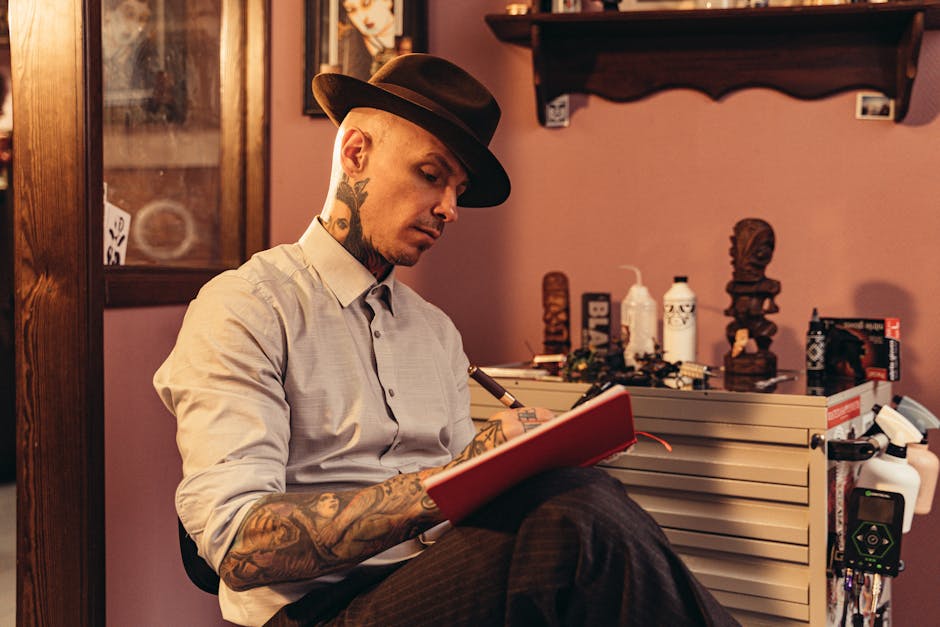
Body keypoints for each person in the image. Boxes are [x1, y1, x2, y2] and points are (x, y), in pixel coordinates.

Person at [155, 54, 740, 627]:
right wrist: (455, 477)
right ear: (355, 152)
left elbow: (462, 512)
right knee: (577, 517)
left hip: (431, 583)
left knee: (579, 502)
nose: (449, 209)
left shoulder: (434, 332)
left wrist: (518, 464)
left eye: (457, 189)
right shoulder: (246, 307)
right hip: (314, 612)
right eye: (431, 175)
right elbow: (235, 544)